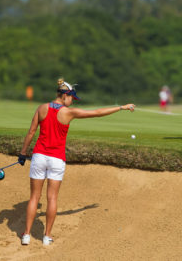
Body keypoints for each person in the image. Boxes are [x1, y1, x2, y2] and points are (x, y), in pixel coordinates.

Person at [18, 78, 135, 246]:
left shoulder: (41, 108)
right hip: (57, 159)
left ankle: (26, 235)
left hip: (39, 156)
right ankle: (47, 236)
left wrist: (22, 153)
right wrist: (121, 107)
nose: (72, 101)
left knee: (34, 198)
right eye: (72, 98)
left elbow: (31, 133)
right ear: (65, 95)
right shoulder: (68, 112)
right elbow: (97, 112)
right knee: (52, 198)